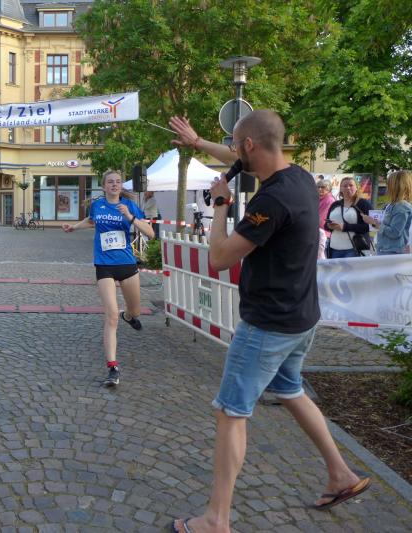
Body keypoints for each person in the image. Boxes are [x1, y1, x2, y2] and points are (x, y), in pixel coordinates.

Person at [169, 112, 370, 533]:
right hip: (301, 317)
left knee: (230, 412)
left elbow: (219, 258)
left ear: (249, 145)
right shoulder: (299, 178)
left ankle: (216, 519)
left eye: (235, 145)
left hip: (268, 324)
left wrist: (221, 206)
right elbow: (238, 157)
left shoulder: (270, 201)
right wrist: (199, 143)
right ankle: (341, 474)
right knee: (291, 390)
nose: (233, 153)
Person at [62, 170, 155, 387]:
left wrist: (130, 217)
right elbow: (91, 221)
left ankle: (129, 317)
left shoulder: (129, 206)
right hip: (104, 265)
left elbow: (150, 233)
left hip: (127, 265)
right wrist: (74, 227)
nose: (114, 185)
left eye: (118, 182)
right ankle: (112, 367)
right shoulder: (98, 205)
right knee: (111, 315)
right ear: (104, 186)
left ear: (121, 186)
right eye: (110, 182)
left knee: (135, 311)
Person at [361, 169, 412, 255]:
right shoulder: (392, 205)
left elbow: (394, 233)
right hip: (385, 250)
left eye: (388, 184)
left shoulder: (401, 207)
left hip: (392, 252)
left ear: (396, 187)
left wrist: (374, 223)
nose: (386, 187)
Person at [324, 177, 373, 258]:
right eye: (345, 186)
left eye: (351, 185)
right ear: (340, 189)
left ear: (356, 188)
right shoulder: (335, 204)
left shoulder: (363, 204)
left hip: (354, 248)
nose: (348, 188)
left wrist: (344, 227)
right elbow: (326, 225)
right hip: (334, 248)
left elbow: (371, 226)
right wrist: (329, 226)